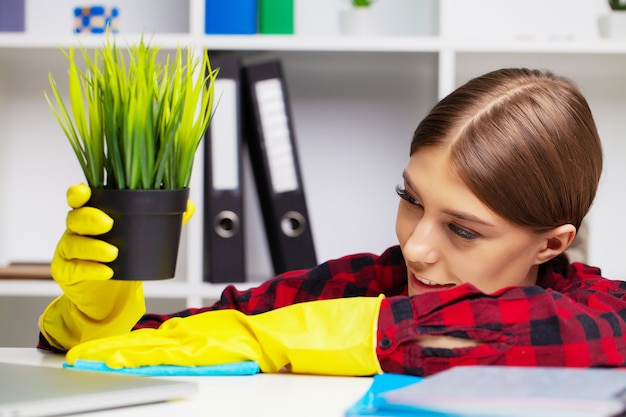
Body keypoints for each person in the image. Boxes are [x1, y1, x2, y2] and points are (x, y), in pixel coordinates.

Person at [38, 68, 626, 377]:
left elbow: (552, 330)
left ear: (552, 243)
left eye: (463, 229)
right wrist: (101, 315)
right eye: (411, 199)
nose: (416, 247)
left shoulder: (598, 310)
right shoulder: (362, 284)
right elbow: (182, 343)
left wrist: (287, 340)